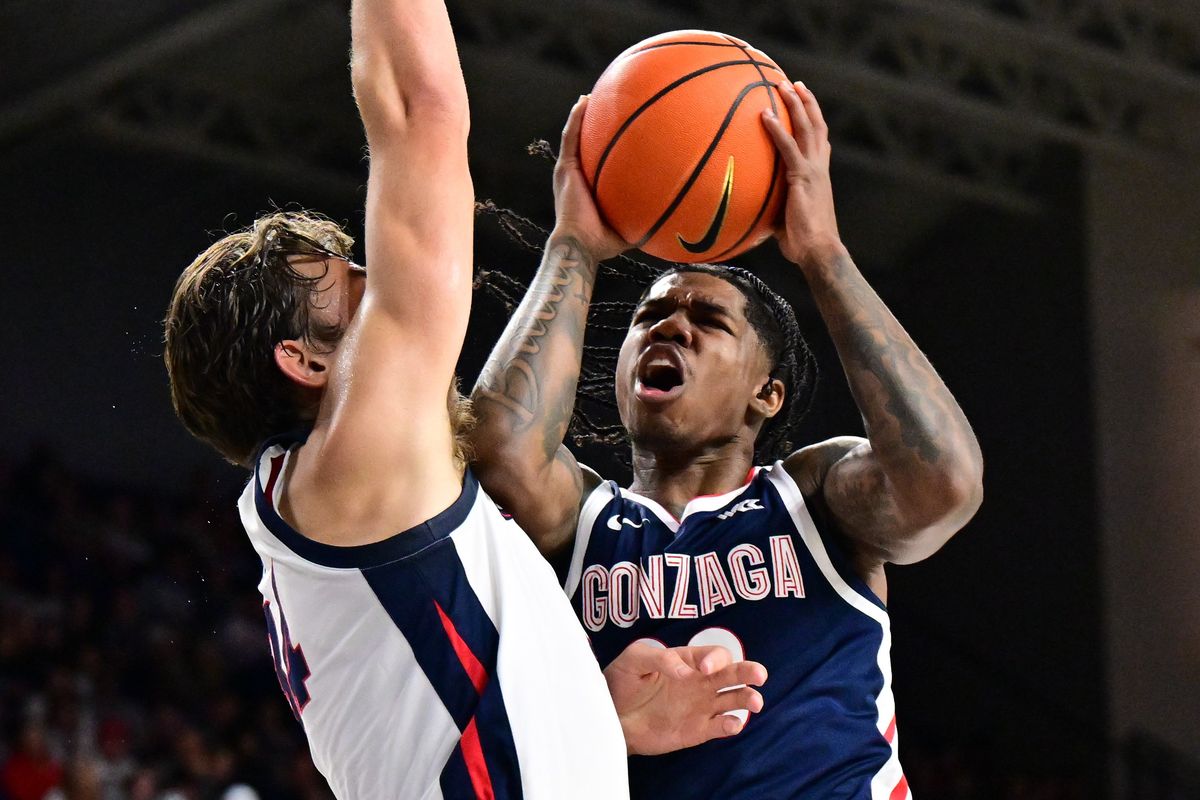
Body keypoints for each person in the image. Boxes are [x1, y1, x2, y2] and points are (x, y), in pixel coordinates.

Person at [162, 1, 766, 797]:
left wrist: (589, 714)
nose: (382, 287)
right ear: (304, 360)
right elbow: (423, 110)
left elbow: (437, 736)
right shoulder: (354, 463)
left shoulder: (352, 512)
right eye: (353, 288)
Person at [469, 81, 984, 798]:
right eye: (650, 317)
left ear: (765, 395)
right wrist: (575, 246)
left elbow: (944, 481)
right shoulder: (581, 517)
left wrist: (824, 255)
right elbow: (496, 450)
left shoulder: (811, 497)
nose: (670, 326)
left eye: (709, 321)